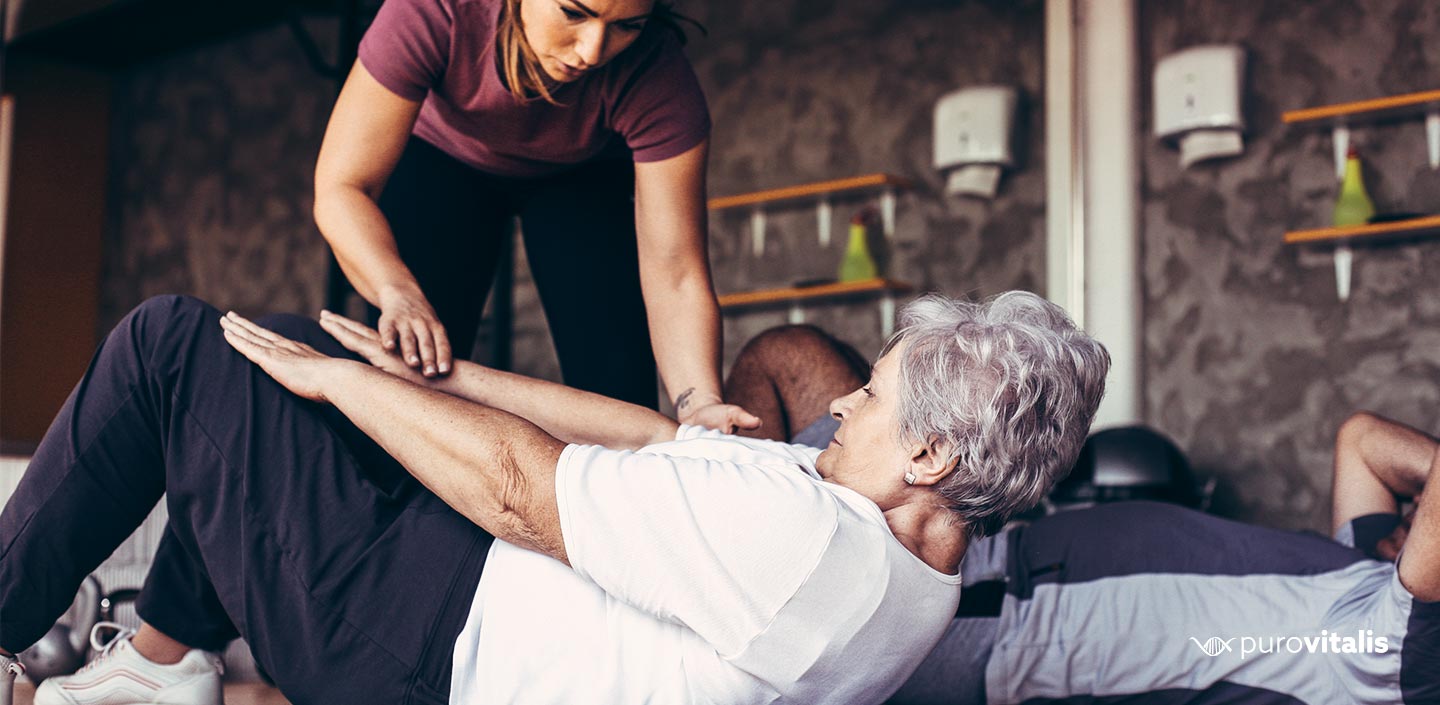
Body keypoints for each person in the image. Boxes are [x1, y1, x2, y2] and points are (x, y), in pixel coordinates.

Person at [0, 291, 1109, 705]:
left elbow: (521, 489)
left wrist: (344, 385)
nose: (848, 406)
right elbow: (657, 434)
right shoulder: (882, 532)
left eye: (872, 396)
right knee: (274, 346)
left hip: (412, 645)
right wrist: (421, 375)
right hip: (448, 596)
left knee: (172, 348)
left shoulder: (811, 552)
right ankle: (166, 666)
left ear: (930, 459)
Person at [649, 328, 1440, 705]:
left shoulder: (1383, 650)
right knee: (788, 356)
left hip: (981, 620)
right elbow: (1361, 442)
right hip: (986, 530)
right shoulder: (1365, 584)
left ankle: (681, 557)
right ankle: (717, 503)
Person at [316, 0, 756, 429]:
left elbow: (675, 270)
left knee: (616, 385)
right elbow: (343, 188)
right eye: (573, 12)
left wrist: (700, 403)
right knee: (417, 368)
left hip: (584, 174)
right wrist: (397, 291)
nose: (592, 51)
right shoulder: (434, 10)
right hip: (443, 157)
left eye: (628, 26)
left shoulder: (658, 76)